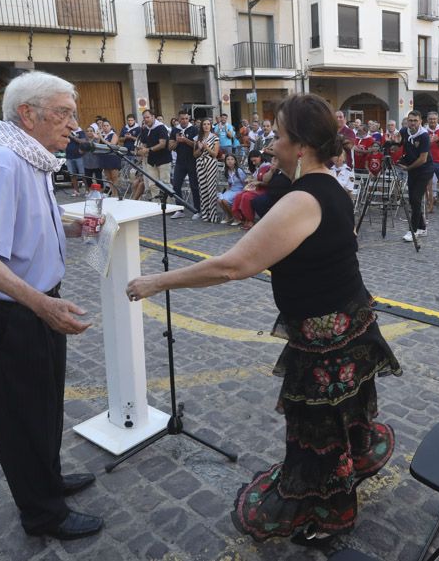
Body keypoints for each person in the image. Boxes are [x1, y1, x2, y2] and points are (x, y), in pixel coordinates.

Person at [126, 93, 400, 545]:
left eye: (278, 136)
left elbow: (233, 266)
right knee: (339, 421)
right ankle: (340, 481)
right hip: (350, 324)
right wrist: (275, 181)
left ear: (302, 146)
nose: (271, 144)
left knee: (317, 437)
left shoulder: (301, 200)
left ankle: (324, 515)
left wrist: (157, 282)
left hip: (327, 341)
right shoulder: (328, 184)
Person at [0, 71, 103, 541]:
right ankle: (43, 514)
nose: (73, 124)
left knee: (43, 404)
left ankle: (48, 481)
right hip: (12, 313)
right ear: (27, 114)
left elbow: (22, 224)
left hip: (33, 305)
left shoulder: (28, 156)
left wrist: (71, 230)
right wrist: (41, 304)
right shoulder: (2, 161)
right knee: (20, 415)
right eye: (63, 113)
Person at [393, 110, 433, 242]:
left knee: (416, 199)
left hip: (424, 170)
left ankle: (413, 230)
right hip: (412, 169)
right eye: (410, 120)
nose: (413, 123)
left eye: (415, 121)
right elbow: (399, 142)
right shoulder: (404, 131)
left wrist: (407, 168)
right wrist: (393, 145)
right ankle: (422, 227)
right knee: (412, 200)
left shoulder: (424, 136)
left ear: (421, 121)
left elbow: (423, 159)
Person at [170, 110, 201, 219]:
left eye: (186, 118)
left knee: (194, 186)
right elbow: (170, 147)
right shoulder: (175, 130)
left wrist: (185, 140)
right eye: (182, 119)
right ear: (178, 119)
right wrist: (178, 141)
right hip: (180, 162)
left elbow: (196, 145)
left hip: (192, 161)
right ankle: (179, 209)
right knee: (176, 185)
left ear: (189, 119)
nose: (184, 120)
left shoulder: (194, 129)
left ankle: (197, 210)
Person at [135, 109, 171, 200]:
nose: (146, 119)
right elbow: (144, 144)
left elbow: (162, 144)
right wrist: (141, 150)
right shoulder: (145, 129)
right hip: (151, 160)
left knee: (165, 184)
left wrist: (148, 150)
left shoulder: (161, 127)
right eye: (144, 118)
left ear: (153, 117)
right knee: (152, 185)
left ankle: (170, 206)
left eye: (148, 117)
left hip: (163, 160)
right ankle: (157, 206)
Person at [193, 118, 221, 221]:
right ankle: (205, 214)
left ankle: (213, 215)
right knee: (202, 188)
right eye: (204, 124)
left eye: (208, 124)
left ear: (211, 126)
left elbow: (215, 154)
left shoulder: (215, 137)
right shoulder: (197, 138)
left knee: (211, 188)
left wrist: (206, 147)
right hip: (200, 163)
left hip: (211, 163)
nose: (206, 126)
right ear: (201, 126)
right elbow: (194, 155)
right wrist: (200, 148)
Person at [218, 153, 247, 223]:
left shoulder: (239, 171)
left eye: (232, 159)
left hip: (240, 190)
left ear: (235, 161)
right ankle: (229, 216)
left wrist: (243, 192)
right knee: (220, 200)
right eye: (228, 159)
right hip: (232, 190)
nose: (230, 161)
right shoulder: (227, 171)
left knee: (225, 200)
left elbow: (245, 183)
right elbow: (229, 184)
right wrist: (227, 191)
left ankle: (236, 217)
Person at [97, 119, 122, 196]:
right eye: (104, 126)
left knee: (114, 177)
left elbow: (112, 145)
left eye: (107, 125)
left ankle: (116, 194)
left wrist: (102, 139)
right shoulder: (102, 135)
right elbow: (98, 145)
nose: (105, 127)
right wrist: (99, 137)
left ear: (110, 126)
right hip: (104, 158)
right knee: (108, 178)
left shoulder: (113, 134)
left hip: (113, 158)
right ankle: (112, 193)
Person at [64, 125, 87, 197]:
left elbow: (83, 141)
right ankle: (76, 191)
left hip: (79, 156)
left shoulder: (79, 131)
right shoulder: (65, 131)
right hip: (69, 156)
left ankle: (87, 190)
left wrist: (72, 137)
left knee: (83, 174)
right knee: (72, 175)